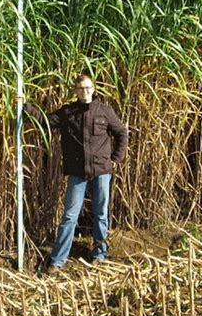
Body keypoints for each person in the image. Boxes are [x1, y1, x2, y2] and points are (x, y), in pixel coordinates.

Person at [23, 74, 127, 274]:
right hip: (77, 173)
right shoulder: (68, 112)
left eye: (87, 88)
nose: (84, 91)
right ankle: (58, 260)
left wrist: (115, 158)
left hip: (101, 171)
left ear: (93, 88)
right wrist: (25, 107)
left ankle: (99, 254)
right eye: (80, 89)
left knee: (100, 214)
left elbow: (121, 132)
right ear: (75, 91)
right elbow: (44, 121)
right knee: (69, 216)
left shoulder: (104, 111)